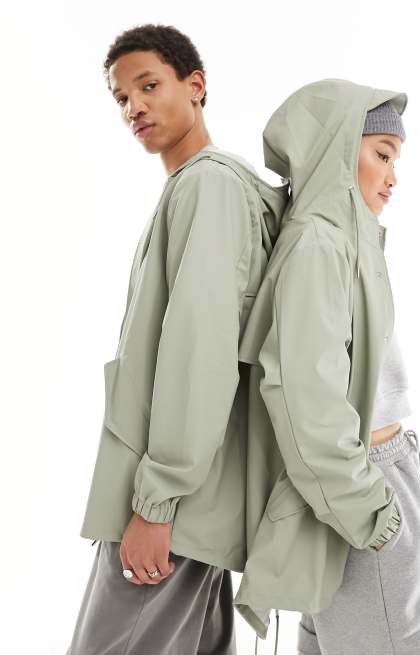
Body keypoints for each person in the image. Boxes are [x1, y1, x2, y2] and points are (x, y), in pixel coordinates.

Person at [66, 23, 288, 655]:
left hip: (172, 509)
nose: (132, 107)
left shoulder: (208, 186)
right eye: (121, 97)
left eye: (148, 86)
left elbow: (200, 352)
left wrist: (156, 503)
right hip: (197, 506)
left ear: (195, 86)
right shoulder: (205, 187)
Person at [230, 80, 420, 655]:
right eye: (382, 154)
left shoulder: (344, 243)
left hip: (362, 486)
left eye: (395, 161)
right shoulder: (320, 246)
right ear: (336, 151)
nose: (392, 176)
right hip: (363, 489)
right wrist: (374, 514)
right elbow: (303, 399)